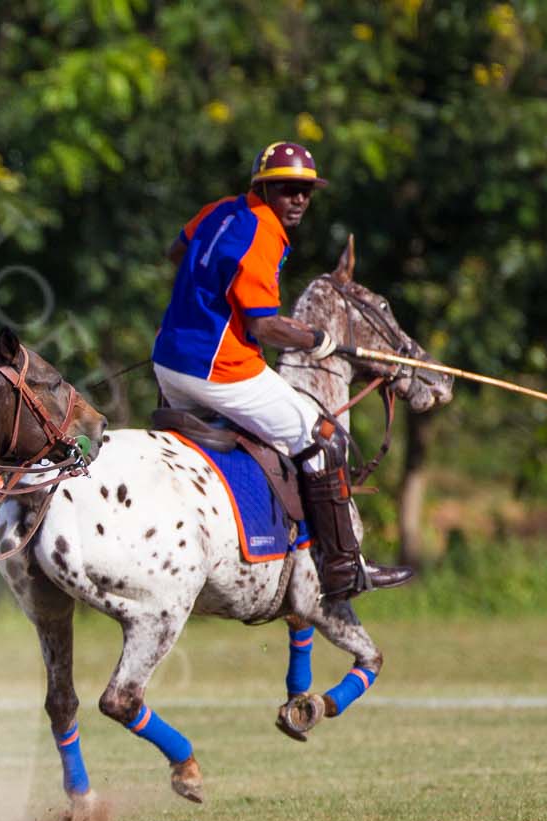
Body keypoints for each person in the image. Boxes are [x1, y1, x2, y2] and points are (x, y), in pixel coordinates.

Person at [151, 140, 412, 599]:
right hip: (219, 367)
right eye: (288, 189)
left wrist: (205, 299)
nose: (299, 200)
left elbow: (178, 251)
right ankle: (342, 566)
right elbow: (264, 325)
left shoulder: (220, 210)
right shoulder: (263, 231)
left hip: (168, 360)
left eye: (306, 192)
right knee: (321, 436)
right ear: (264, 187)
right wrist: (318, 339)